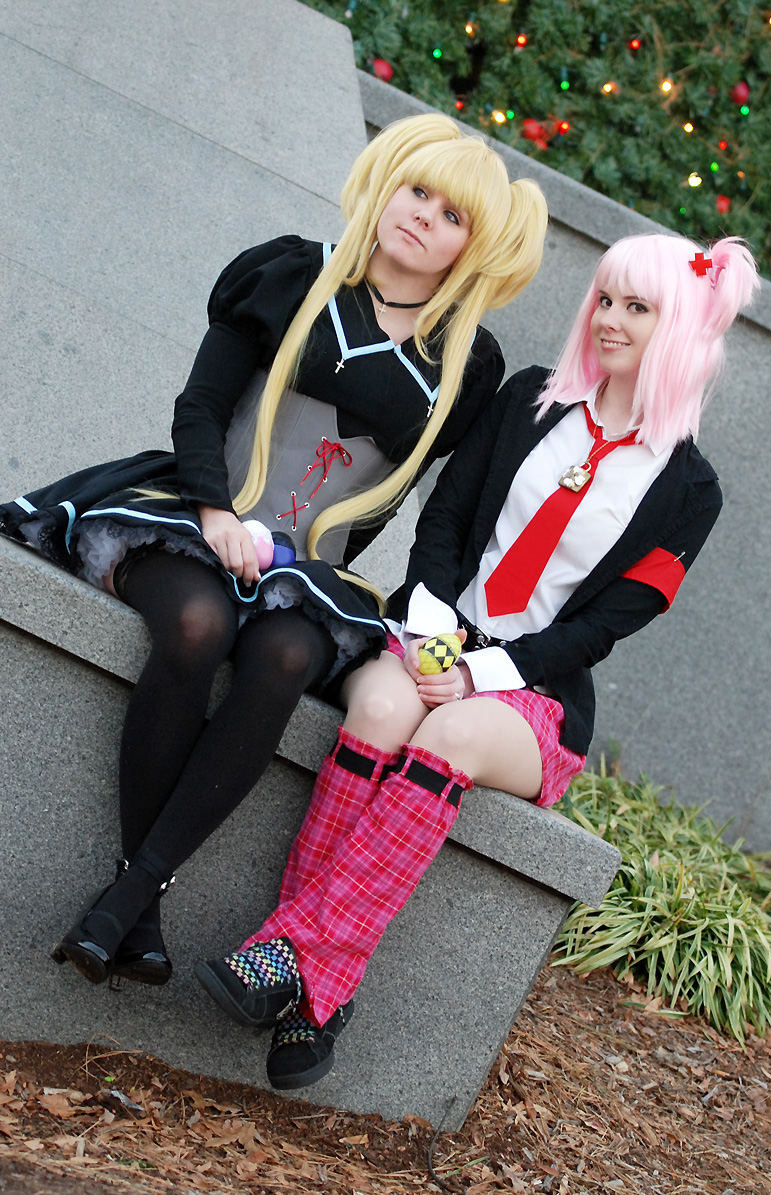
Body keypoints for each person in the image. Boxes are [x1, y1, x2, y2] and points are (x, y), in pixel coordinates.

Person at [195, 232, 759, 1090]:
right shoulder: (530, 396)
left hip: (532, 690)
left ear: (680, 329)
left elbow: (605, 626)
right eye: (606, 299)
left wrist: (477, 676)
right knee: (381, 709)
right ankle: (319, 995)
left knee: (448, 733)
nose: (609, 319)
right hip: (435, 630)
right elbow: (446, 520)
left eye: (638, 307)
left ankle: (288, 948)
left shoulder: (691, 491)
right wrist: (433, 636)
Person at [0, 114, 548, 988]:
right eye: (417, 191)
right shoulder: (293, 273)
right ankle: (136, 905)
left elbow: (414, 500)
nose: (423, 216)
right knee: (197, 622)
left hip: (305, 572)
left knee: (286, 654)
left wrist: (335, 581)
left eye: (452, 216)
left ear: (470, 248)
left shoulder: (465, 364)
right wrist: (216, 510)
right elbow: (200, 405)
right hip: (193, 514)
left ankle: (129, 897)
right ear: (386, 184)